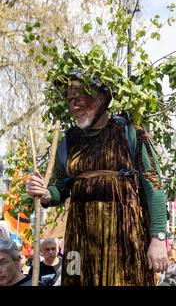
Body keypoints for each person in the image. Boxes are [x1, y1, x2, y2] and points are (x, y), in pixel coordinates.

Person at [25, 70, 168, 286]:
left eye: (79, 98)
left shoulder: (131, 134)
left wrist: (158, 240)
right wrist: (44, 193)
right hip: (78, 244)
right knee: (74, 280)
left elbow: (154, 186)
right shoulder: (69, 141)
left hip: (125, 244)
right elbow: (59, 188)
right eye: (70, 99)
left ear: (101, 98)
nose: (74, 105)